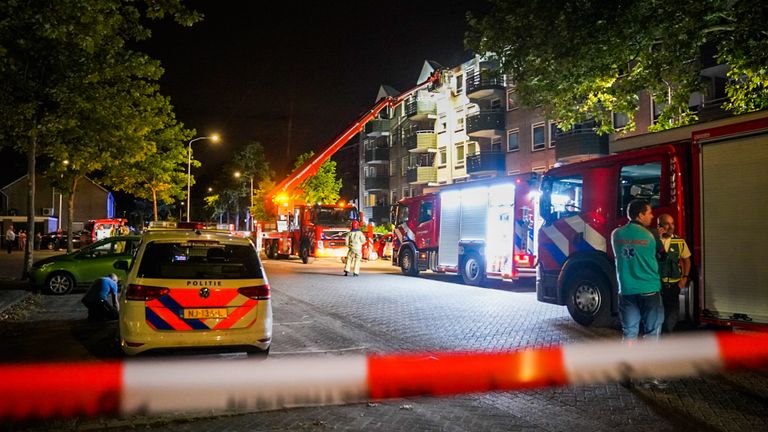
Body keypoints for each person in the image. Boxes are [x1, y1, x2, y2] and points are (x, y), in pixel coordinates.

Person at [611, 199, 666, 388]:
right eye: (649, 213)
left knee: (629, 334)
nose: (652, 216)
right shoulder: (651, 235)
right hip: (649, 290)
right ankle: (648, 376)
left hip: (626, 291)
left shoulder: (616, 234)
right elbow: (662, 254)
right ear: (640, 215)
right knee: (651, 333)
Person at [657, 213, 691, 333]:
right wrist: (658, 238)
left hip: (673, 285)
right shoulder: (652, 241)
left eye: (672, 223)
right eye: (667, 224)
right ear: (659, 225)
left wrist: (684, 278)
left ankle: (666, 338)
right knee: (657, 314)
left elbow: (687, 260)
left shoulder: (679, 241)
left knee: (672, 315)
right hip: (657, 284)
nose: (671, 227)